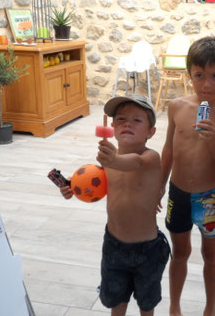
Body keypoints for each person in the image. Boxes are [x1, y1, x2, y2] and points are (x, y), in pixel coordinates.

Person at [60, 94, 170, 316]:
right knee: (116, 300)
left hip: (147, 249)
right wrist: (73, 188)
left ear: (150, 132)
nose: (127, 123)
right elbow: (93, 185)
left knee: (147, 304)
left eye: (136, 120)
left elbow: (135, 163)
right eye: (120, 119)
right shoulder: (107, 163)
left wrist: (113, 160)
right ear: (111, 128)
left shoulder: (150, 158)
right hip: (114, 246)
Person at [160, 36, 215, 316]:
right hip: (178, 192)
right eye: (199, 75)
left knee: (211, 254)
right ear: (189, 74)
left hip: (210, 196)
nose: (206, 84)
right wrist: (158, 186)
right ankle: (174, 306)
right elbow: (169, 150)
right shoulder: (176, 106)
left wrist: (212, 139)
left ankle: (210, 308)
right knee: (180, 253)